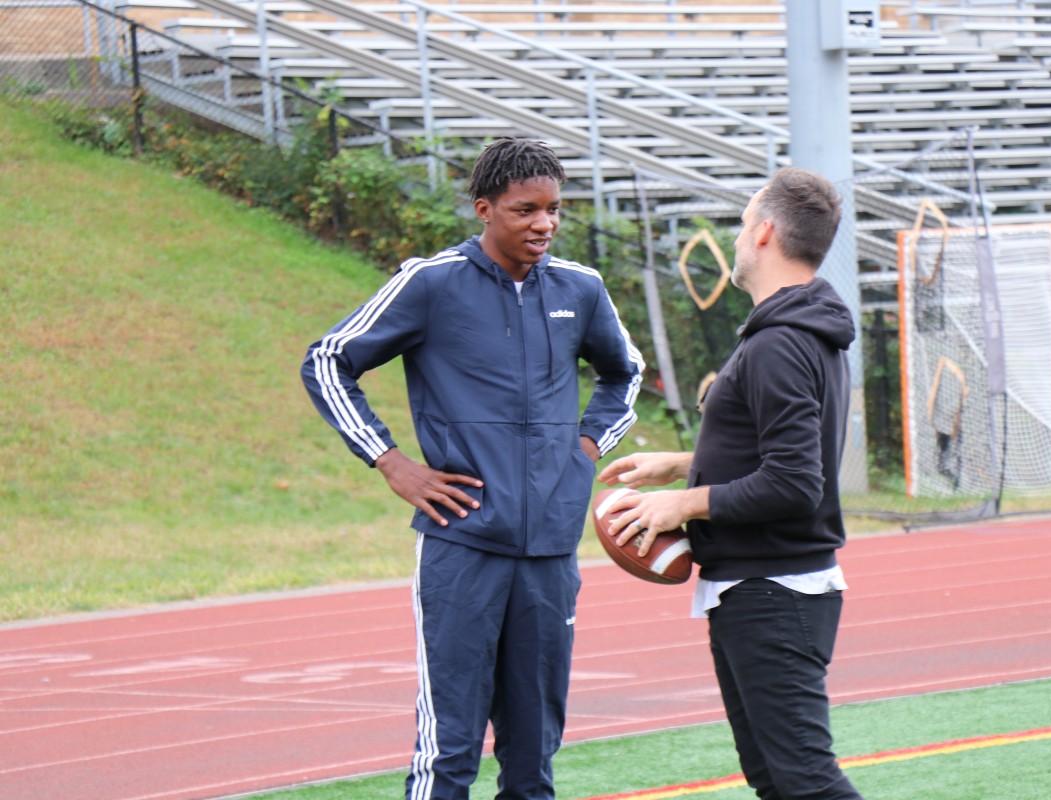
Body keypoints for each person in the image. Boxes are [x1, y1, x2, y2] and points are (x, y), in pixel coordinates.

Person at [301, 138, 644, 800]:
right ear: (485, 210)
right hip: (463, 549)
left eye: (554, 210)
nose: (543, 223)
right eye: (525, 210)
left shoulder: (582, 289)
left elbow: (623, 374)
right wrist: (389, 459)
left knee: (534, 757)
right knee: (449, 749)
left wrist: (588, 448)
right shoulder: (431, 284)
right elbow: (327, 359)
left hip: (550, 552)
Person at [597, 167, 862, 800]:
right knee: (777, 780)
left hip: (772, 589)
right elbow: (777, 450)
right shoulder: (799, 331)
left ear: (766, 232)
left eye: (744, 225)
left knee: (804, 782)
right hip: (767, 586)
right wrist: (686, 463)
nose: (739, 238)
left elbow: (795, 482)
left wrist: (683, 502)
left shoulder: (778, 343)